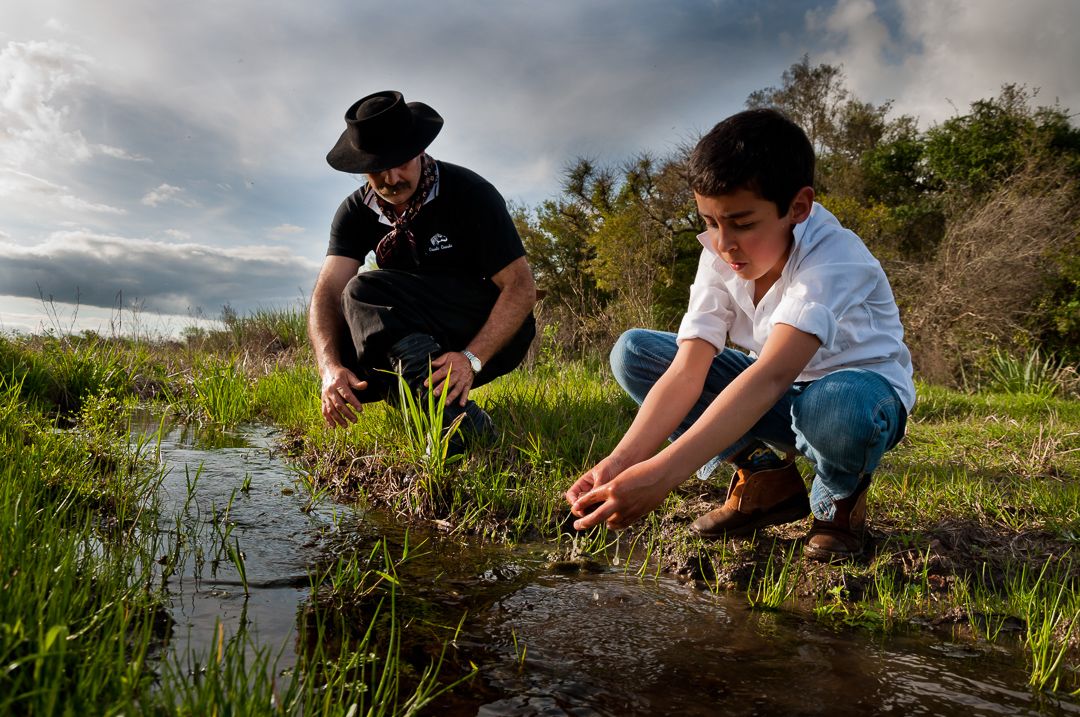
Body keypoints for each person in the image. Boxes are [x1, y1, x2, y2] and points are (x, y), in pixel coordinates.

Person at [564, 108, 915, 560]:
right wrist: (619, 464)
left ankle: (838, 498)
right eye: (710, 222)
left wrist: (663, 475)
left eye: (743, 224)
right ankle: (764, 480)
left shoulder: (835, 256)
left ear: (798, 207)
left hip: (855, 401)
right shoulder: (719, 254)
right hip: (778, 396)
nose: (724, 243)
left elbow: (771, 374)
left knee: (835, 403)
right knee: (636, 352)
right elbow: (688, 370)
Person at [308, 90, 537, 444]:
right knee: (348, 362)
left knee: (363, 291)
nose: (392, 178)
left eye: (402, 162)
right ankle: (456, 424)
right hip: (414, 330)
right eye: (377, 169)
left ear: (420, 152)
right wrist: (329, 369)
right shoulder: (354, 212)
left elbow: (521, 287)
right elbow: (326, 293)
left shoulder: (470, 192)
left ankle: (445, 416)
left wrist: (470, 358)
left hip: (480, 326)